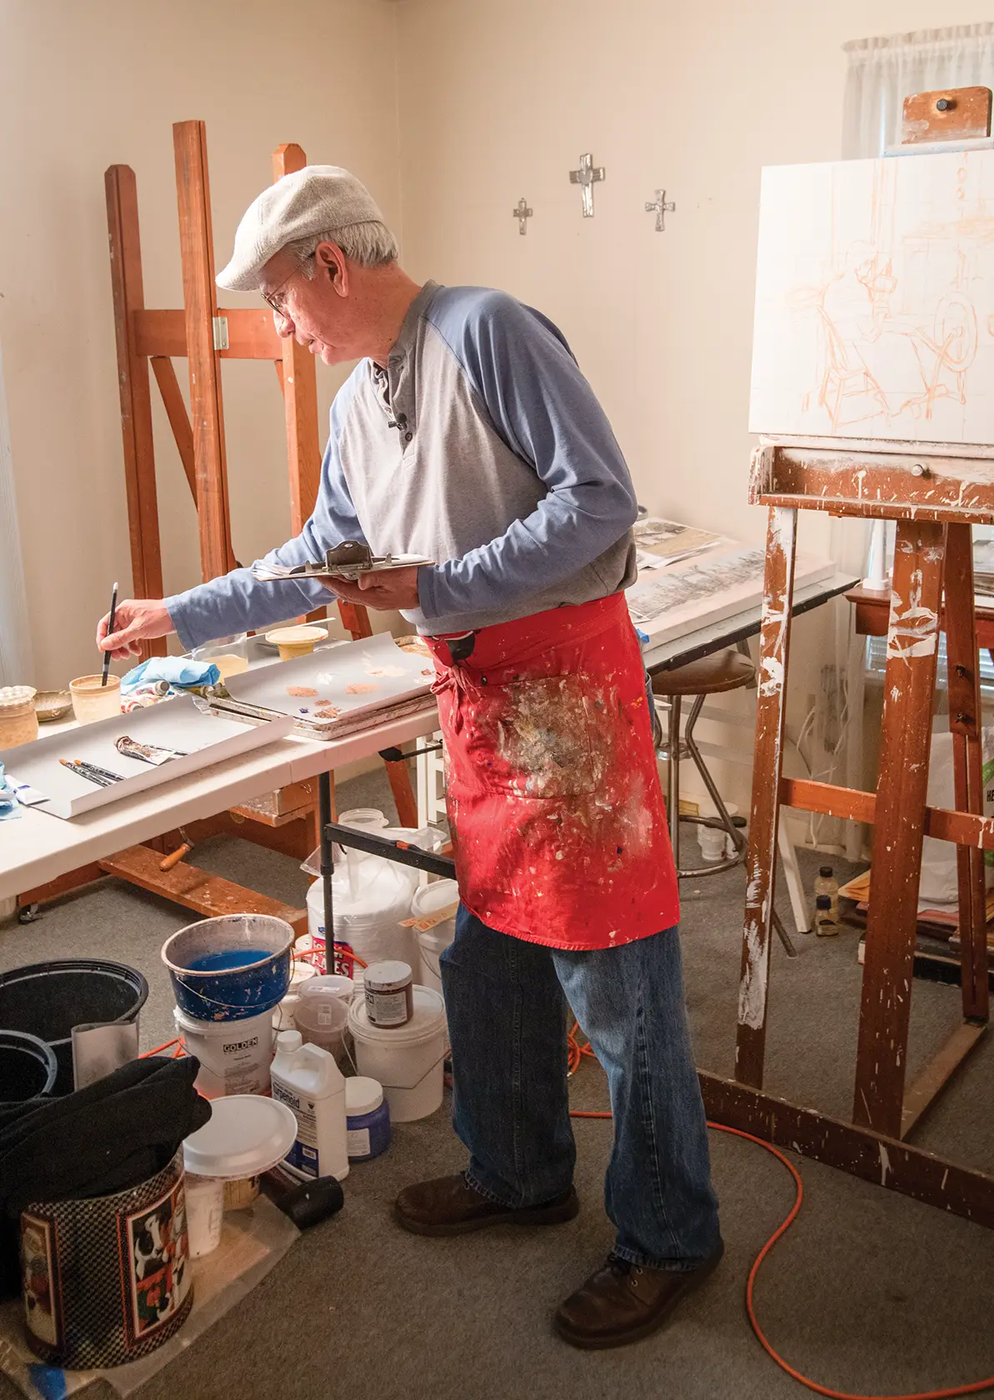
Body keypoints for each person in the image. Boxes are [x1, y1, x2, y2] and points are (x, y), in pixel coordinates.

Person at [98, 166, 721, 1349]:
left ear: (331, 263)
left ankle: (669, 1234)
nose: (282, 327)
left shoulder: (488, 331)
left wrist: (440, 585)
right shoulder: (355, 404)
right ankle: (519, 1170)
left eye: (282, 299)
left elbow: (601, 502)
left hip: (570, 698)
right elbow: (321, 549)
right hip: (484, 702)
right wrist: (179, 613)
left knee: (617, 988)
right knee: (489, 956)